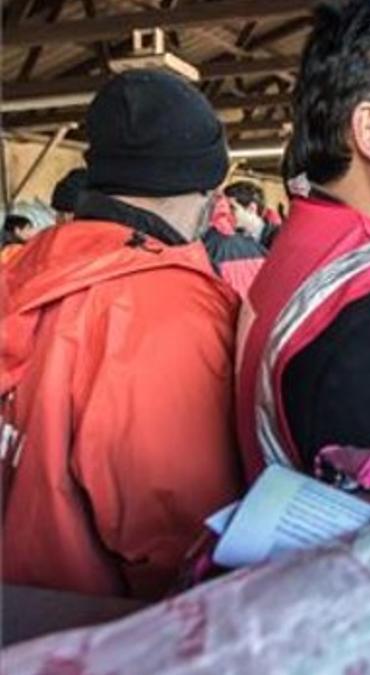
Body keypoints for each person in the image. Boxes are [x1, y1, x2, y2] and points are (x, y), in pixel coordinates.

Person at [1, 70, 243, 600]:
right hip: (92, 630)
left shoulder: (22, 265)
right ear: (205, 187)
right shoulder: (167, 307)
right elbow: (183, 539)